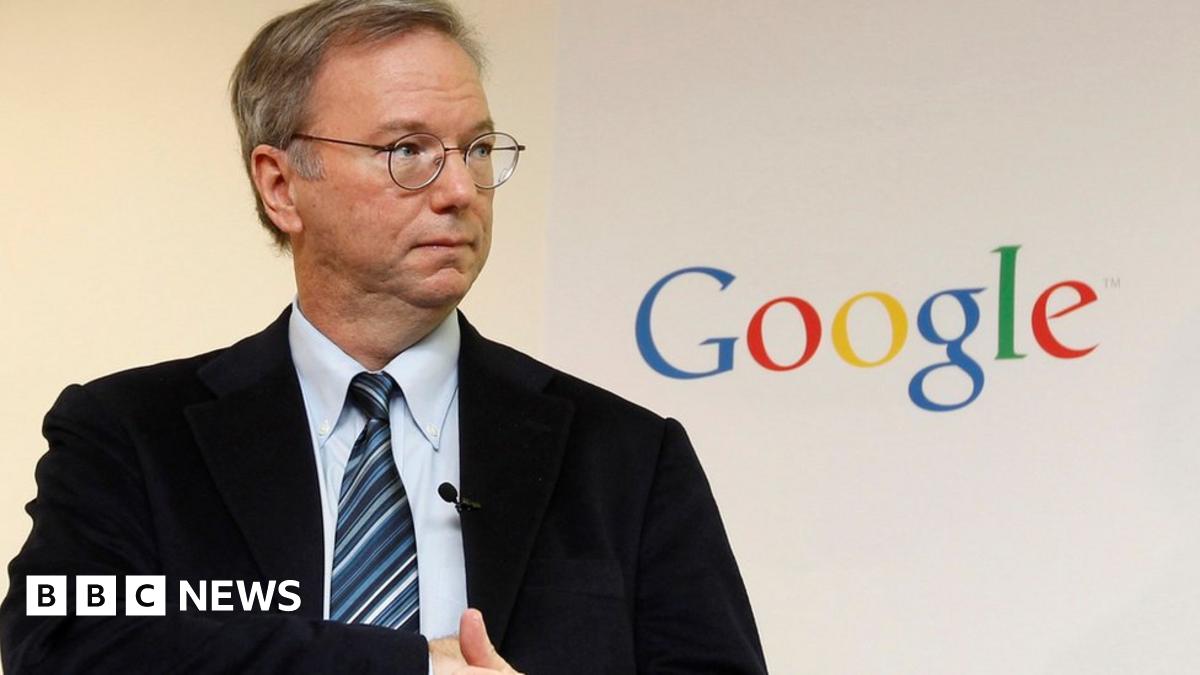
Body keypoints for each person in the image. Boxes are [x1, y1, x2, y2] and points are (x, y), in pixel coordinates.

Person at [0, 1, 767, 672]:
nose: (460, 190)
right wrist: (412, 669)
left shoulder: (627, 457)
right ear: (281, 185)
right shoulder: (132, 438)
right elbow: (63, 644)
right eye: (408, 151)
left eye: (477, 149)